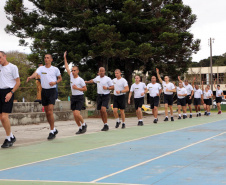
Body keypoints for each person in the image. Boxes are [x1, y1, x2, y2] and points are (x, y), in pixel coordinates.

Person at [27, 54, 62, 140]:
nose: (46, 59)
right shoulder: (41, 68)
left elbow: (60, 78)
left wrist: (55, 82)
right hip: (44, 91)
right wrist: (30, 77)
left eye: (47, 58)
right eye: (45, 58)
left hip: (52, 91)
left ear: (51, 60)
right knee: (46, 112)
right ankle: (53, 129)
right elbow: (35, 73)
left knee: (50, 111)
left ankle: (51, 131)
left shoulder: (55, 69)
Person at [0, 51, 20, 148]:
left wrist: (11, 92)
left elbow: (18, 82)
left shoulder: (13, 67)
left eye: (0, 57)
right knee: (1, 118)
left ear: (5, 56)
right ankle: (11, 136)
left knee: (4, 117)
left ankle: (8, 138)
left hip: (8, 92)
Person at [64, 51, 87, 134]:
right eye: (72, 70)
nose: (72, 72)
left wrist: (77, 88)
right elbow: (66, 67)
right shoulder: (71, 76)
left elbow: (85, 89)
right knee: (74, 115)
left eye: (74, 70)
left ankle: (84, 124)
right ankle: (80, 128)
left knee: (77, 113)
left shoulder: (80, 80)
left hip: (80, 97)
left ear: (77, 71)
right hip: (73, 97)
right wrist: (65, 57)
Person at [85, 67, 114, 131]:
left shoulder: (107, 79)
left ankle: (106, 124)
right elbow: (92, 81)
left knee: (103, 109)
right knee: (100, 111)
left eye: (102, 71)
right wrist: (85, 82)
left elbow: (112, 87)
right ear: (98, 72)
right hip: (99, 96)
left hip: (106, 95)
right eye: (100, 71)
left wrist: (107, 88)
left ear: (104, 72)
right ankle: (104, 124)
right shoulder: (97, 78)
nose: (101, 72)